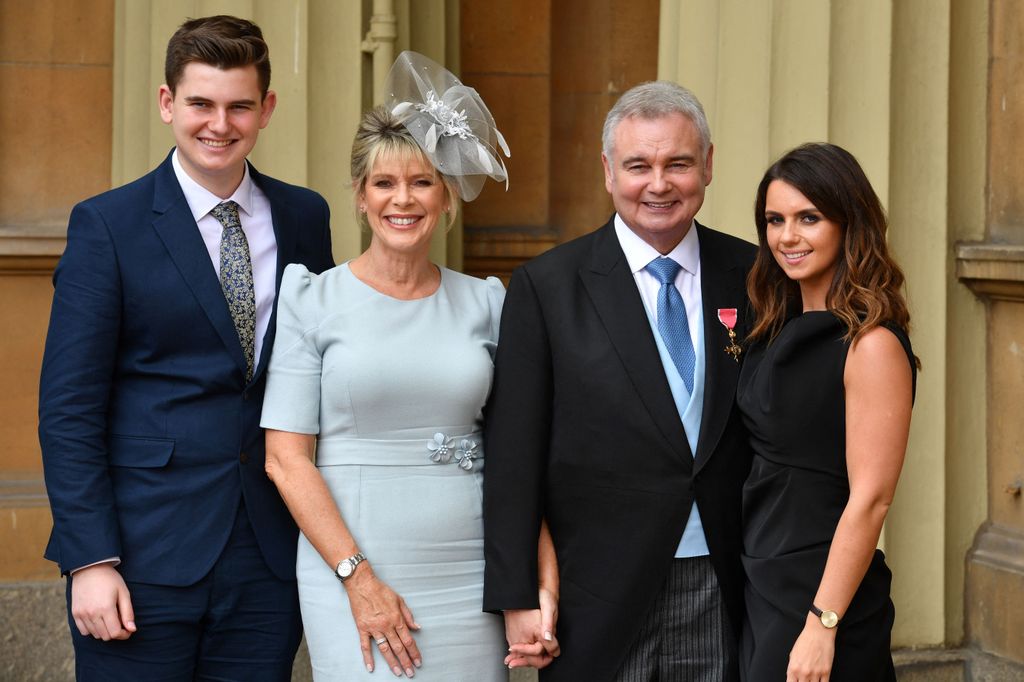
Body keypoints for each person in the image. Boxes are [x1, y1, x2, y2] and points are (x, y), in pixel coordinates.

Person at [37, 15, 334, 680]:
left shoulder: (304, 217)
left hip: (267, 556)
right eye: (200, 103)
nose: (218, 125)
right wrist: (90, 560)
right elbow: (69, 409)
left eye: (239, 107)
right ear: (169, 103)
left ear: (267, 110)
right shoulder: (107, 224)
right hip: (140, 555)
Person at [259, 51, 539, 680]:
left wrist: (531, 582)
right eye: (384, 184)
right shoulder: (312, 299)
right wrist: (358, 580)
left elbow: (521, 453)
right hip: (353, 568)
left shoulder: (489, 301)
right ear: (360, 197)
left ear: (446, 197)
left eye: (421, 182)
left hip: (471, 572)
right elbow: (285, 457)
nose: (402, 200)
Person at [483, 80, 757, 680]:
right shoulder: (547, 287)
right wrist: (518, 594)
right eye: (638, 165)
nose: (658, 184)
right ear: (608, 171)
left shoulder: (757, 276)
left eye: (678, 163)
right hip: (597, 596)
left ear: (707, 166)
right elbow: (513, 454)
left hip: (725, 582)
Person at [737, 142, 917, 681]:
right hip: (763, 580)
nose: (787, 237)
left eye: (808, 218)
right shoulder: (773, 327)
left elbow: (872, 498)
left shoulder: (871, 344)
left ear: (848, 222)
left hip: (822, 593)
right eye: (775, 220)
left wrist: (823, 622)